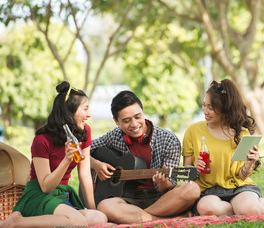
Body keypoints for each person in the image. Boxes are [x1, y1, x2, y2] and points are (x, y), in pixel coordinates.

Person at [0, 81, 107, 228]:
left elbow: (85, 175)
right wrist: (66, 160)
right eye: (85, 109)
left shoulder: (84, 132)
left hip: (62, 194)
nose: (89, 114)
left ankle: (53, 220)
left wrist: (91, 208)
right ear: (70, 111)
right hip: (40, 195)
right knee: (78, 222)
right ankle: (16, 222)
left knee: (99, 218)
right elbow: (45, 187)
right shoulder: (41, 140)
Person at [90, 90, 200, 224]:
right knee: (104, 206)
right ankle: (161, 220)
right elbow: (83, 149)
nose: (134, 124)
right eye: (126, 120)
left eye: (138, 117)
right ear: (116, 121)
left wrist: (163, 184)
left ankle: (141, 217)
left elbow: (171, 186)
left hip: (161, 199)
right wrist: (95, 164)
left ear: (143, 112)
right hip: (127, 200)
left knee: (192, 189)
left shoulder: (168, 139)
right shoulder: (114, 135)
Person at [182, 79, 264, 216]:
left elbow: (242, 176)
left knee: (250, 210)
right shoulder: (193, 131)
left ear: (225, 109)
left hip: (238, 188)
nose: (205, 111)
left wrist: (249, 164)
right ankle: (238, 209)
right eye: (204, 105)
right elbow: (186, 173)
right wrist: (194, 169)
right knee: (206, 209)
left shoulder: (241, 133)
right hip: (207, 191)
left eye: (211, 108)